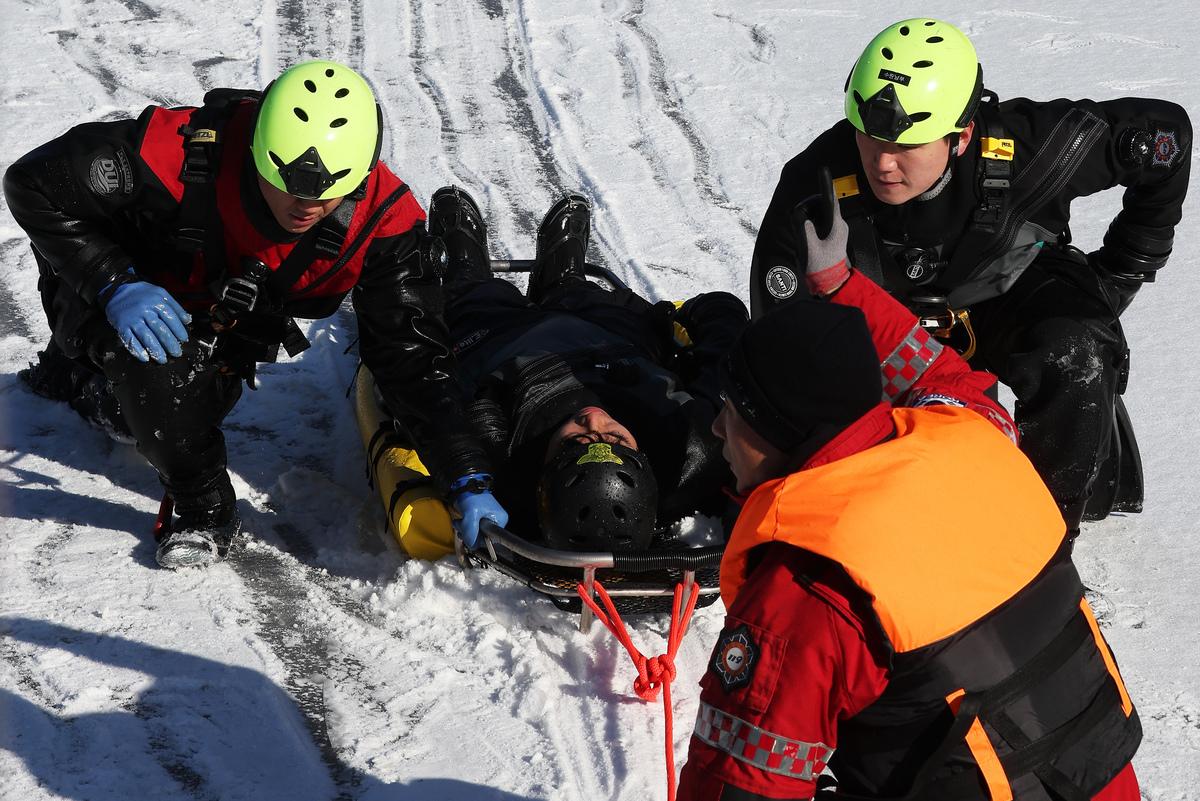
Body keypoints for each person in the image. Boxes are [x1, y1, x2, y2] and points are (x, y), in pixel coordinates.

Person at [676, 189, 1141, 800]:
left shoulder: (809, 590)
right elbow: (936, 373)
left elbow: (739, 785)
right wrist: (841, 287)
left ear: (781, 432)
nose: (716, 430)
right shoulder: (976, 437)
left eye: (733, 411)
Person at [4, 60, 505, 569]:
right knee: (152, 385)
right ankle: (205, 508)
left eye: (332, 189)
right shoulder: (175, 151)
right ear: (257, 151)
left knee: (174, 410)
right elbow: (32, 182)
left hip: (227, 318)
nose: (307, 204)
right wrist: (112, 281)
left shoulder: (385, 220)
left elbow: (411, 355)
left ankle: (91, 379)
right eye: (289, 181)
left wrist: (465, 474)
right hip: (116, 290)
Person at [749, 17, 1191, 535]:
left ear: (962, 135)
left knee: (1076, 347)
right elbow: (776, 332)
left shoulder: (1033, 150)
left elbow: (1166, 141)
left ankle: (1044, 531)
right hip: (887, 327)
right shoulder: (815, 181)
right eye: (869, 138)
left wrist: (1125, 269)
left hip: (1008, 288)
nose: (883, 162)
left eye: (906, 146)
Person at [425, 185, 748, 549]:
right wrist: (692, 314)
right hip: (611, 337)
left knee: (471, 298)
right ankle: (563, 276)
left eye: (576, 440)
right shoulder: (689, 449)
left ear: (544, 468)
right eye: (615, 438)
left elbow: (440, 408)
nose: (594, 420)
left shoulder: (502, 463)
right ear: (643, 457)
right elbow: (728, 348)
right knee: (580, 294)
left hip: (499, 341)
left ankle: (464, 266)